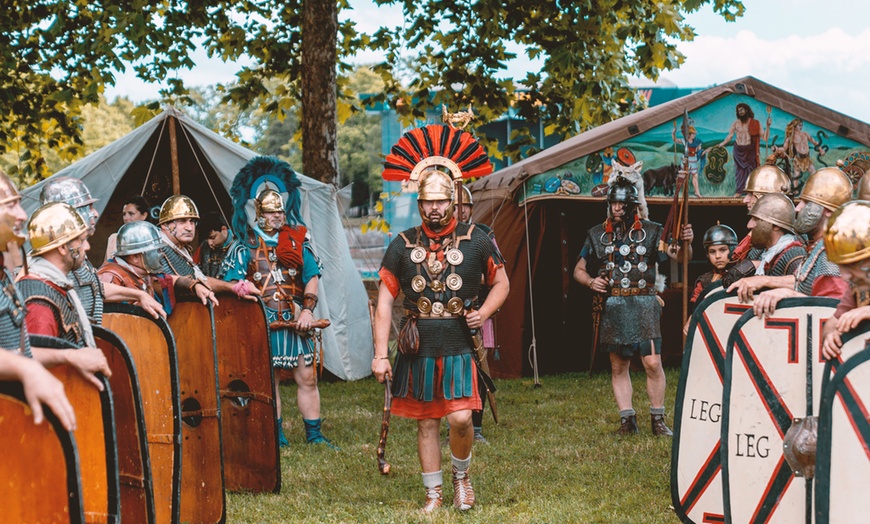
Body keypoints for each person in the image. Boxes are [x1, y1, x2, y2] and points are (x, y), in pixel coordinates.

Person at [373, 167, 508, 513]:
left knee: (461, 419)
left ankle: (461, 477)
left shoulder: (477, 238)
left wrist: (486, 311)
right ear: (419, 204)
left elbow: (502, 283)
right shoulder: (402, 244)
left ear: (452, 201)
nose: (434, 208)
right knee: (427, 420)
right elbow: (385, 302)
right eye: (428, 202)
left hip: (459, 342)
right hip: (419, 344)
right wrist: (380, 355)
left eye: (440, 201)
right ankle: (433, 493)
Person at [223, 156, 334, 449]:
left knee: (307, 378)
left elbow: (312, 275)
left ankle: (315, 435)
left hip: (295, 320)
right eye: (272, 213)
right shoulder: (243, 245)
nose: (278, 217)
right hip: (260, 321)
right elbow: (232, 283)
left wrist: (308, 310)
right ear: (259, 212)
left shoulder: (297, 240)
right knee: (267, 381)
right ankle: (276, 435)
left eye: (280, 212)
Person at [573, 175, 693, 437]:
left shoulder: (652, 231)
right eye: (613, 204)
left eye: (621, 204)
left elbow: (681, 257)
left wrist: (687, 242)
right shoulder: (596, 234)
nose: (616, 208)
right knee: (618, 366)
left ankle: (658, 419)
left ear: (632, 205)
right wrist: (591, 282)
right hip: (614, 306)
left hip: (644, 304)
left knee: (652, 362)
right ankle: (627, 420)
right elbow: (578, 270)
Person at [0, 171, 75, 431]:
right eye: (10, 205)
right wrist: (26, 369)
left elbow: (17, 352)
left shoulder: (3, 276)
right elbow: (18, 360)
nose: (22, 215)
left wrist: (72, 358)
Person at [39, 178, 165, 321]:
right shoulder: (50, 265)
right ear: (68, 212)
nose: (95, 213)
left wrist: (139, 295)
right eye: (88, 207)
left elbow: (96, 289)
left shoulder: (75, 254)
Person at [17, 202, 112, 391]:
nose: (87, 246)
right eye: (81, 240)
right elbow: (30, 363)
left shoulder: (54, 287)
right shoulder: (39, 301)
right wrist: (71, 356)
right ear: (63, 248)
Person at [743, 167, 852, 317]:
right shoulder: (818, 246)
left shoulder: (834, 251)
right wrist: (764, 280)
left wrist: (789, 295)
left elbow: (832, 309)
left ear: (828, 211)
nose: (797, 208)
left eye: (806, 203)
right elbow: (803, 283)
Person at [451, 185, 504, 445]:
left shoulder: (483, 234)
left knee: (480, 369)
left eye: (464, 207)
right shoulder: (441, 235)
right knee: (452, 370)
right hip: (447, 313)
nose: (460, 211)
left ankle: (478, 426)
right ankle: (455, 424)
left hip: (477, 309)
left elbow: (495, 274)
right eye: (455, 206)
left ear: (471, 209)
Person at [98, 221, 215, 314]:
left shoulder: (144, 273)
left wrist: (194, 286)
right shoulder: (110, 275)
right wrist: (140, 295)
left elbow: (168, 279)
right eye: (156, 250)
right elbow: (96, 290)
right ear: (135, 257)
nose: (161, 254)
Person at [155, 195, 245, 303]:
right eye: (182, 221)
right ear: (165, 225)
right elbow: (157, 284)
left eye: (192, 222)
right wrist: (193, 285)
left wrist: (232, 287)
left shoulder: (182, 249)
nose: (189, 228)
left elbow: (202, 280)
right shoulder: (156, 249)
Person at [726, 193, 806, 302]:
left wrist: (763, 280)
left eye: (755, 219)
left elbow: (804, 283)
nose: (749, 225)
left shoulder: (793, 252)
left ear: (776, 226)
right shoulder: (770, 253)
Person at [821, 201, 870, 359]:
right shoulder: (860, 287)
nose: (845, 276)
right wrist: (831, 336)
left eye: (850, 266)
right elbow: (832, 322)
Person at [730, 162, 791, 263]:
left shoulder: (791, 244)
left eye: (751, 194)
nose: (745, 200)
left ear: (765, 198)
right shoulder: (760, 237)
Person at [714, 103, 770, 196]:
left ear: (746, 110)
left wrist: (768, 126)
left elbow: (765, 138)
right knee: (739, 172)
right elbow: (730, 136)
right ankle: (740, 191)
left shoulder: (754, 123)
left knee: (751, 170)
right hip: (738, 150)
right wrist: (722, 144)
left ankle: (750, 191)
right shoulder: (736, 123)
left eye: (742, 110)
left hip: (749, 150)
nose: (740, 112)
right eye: (739, 111)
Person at [104, 195, 151, 263]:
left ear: (144, 215)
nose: (126, 218)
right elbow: (105, 264)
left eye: (131, 214)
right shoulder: (115, 238)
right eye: (124, 214)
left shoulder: (152, 239)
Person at [780, 118, 820, 192]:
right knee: (796, 176)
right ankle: (795, 192)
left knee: (814, 172)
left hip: (807, 158)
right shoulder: (790, 138)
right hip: (798, 158)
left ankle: (816, 188)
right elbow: (784, 148)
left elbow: (814, 141)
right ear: (795, 126)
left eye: (801, 125)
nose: (801, 127)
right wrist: (777, 149)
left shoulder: (805, 134)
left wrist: (820, 149)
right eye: (799, 125)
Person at [194, 211, 236, 279]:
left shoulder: (238, 248)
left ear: (223, 229)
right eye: (207, 239)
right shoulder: (204, 246)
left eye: (212, 237)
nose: (209, 243)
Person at [672, 125, 705, 198]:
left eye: (694, 134)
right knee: (684, 177)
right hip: (686, 159)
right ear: (689, 134)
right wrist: (673, 133)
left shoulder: (697, 142)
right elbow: (675, 140)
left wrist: (702, 152)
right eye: (692, 133)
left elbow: (699, 151)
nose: (694, 135)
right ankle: (679, 192)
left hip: (693, 160)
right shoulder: (684, 141)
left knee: (695, 176)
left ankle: (697, 192)